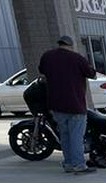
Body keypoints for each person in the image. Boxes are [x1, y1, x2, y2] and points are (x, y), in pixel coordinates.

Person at [38, 35, 97, 174]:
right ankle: (79, 165)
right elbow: (92, 74)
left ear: (59, 44)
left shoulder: (47, 56)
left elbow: (42, 71)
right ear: (70, 45)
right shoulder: (77, 58)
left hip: (56, 104)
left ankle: (69, 163)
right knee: (76, 136)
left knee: (65, 136)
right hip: (75, 104)